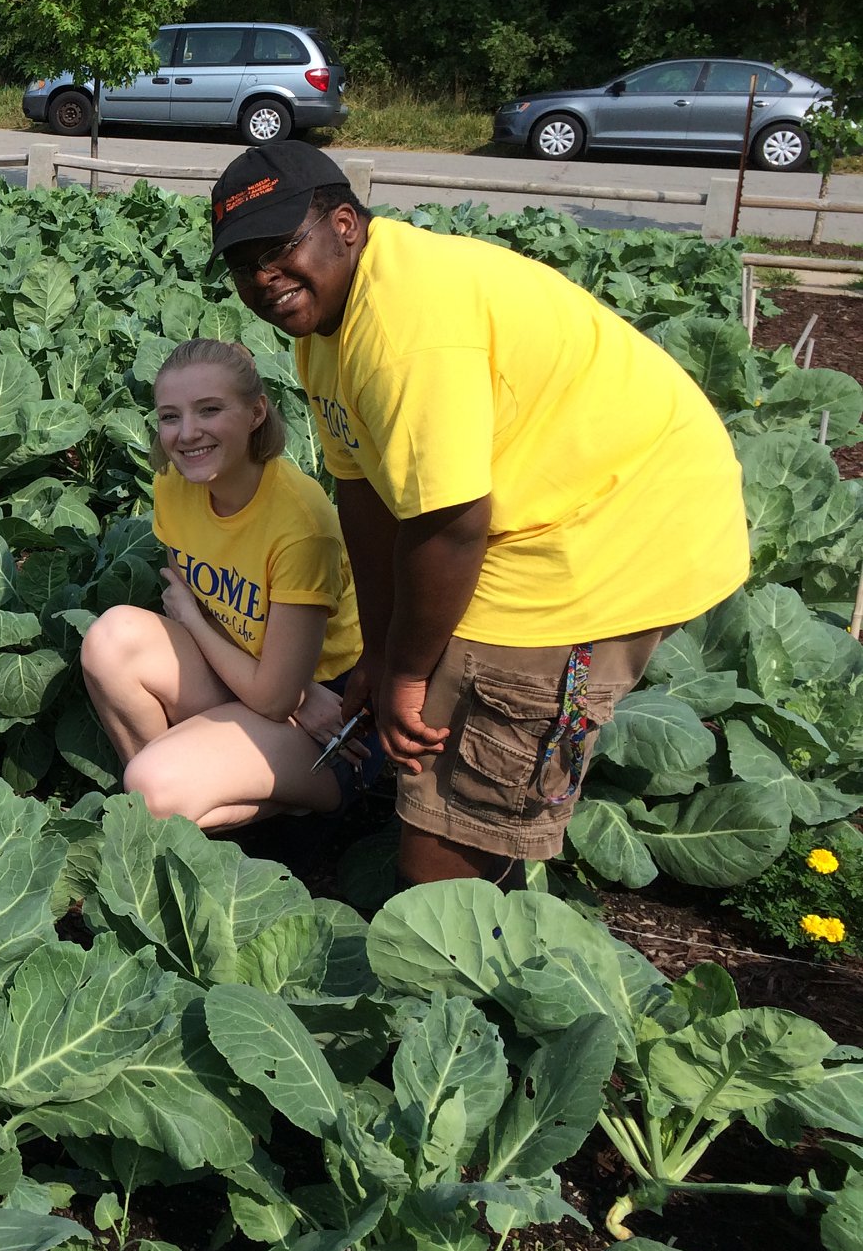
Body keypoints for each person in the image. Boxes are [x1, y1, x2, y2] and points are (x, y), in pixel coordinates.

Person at [208, 139, 749, 887]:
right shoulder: (330, 327)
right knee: (441, 727)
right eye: (243, 265)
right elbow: (365, 496)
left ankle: (476, 921)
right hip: (531, 506)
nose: (264, 279)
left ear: (345, 224)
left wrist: (405, 675)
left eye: (278, 249)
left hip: (606, 526)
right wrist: (379, 650)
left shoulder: (402, 328)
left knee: (452, 832)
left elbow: (450, 524)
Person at [82, 339, 372, 829]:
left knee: (152, 786)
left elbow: (274, 696)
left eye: (209, 410)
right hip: (252, 675)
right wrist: (200, 622)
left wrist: (297, 692)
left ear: (256, 412)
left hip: (330, 719)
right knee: (110, 640)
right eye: (170, 416)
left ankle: (271, 818)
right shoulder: (175, 485)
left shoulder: (301, 527)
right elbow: (193, 602)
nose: (187, 433)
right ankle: (184, 818)